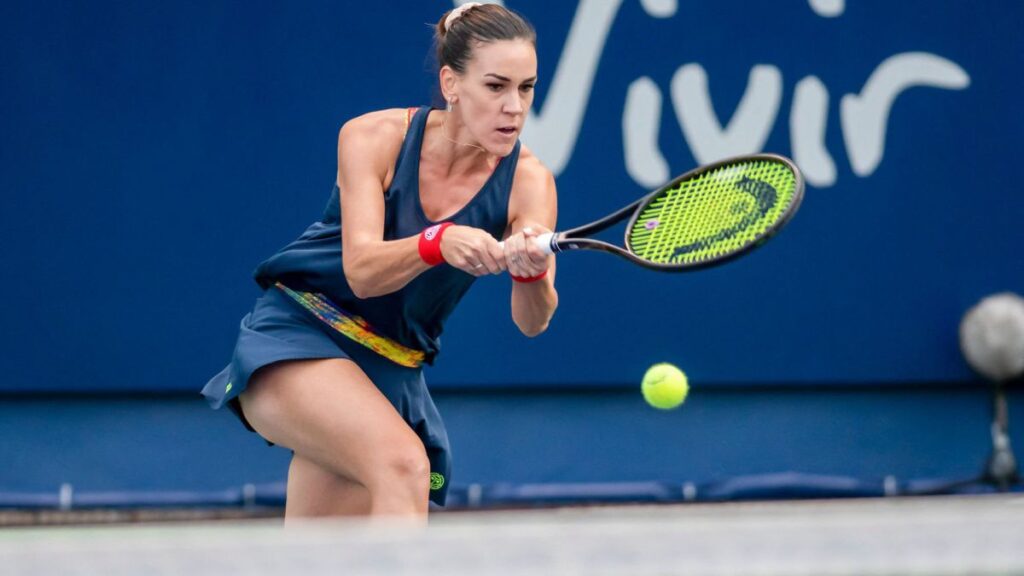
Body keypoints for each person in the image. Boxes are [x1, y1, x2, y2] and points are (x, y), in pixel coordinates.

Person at [201, 3, 558, 522]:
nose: (514, 107)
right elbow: (363, 271)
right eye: (496, 86)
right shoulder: (372, 136)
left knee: (323, 560)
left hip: (391, 369)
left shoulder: (529, 180)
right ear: (451, 83)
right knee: (403, 465)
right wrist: (438, 242)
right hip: (301, 334)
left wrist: (531, 272)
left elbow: (533, 320)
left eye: (526, 88)